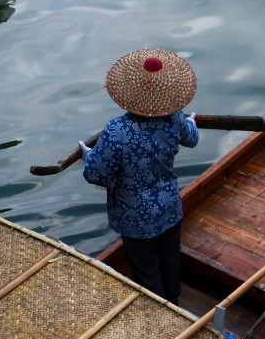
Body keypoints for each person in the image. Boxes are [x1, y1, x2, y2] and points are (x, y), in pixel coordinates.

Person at [81, 48, 198, 306]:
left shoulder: (118, 130)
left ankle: (161, 315)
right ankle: (174, 303)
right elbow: (192, 138)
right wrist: (192, 120)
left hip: (135, 215)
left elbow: (95, 173)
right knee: (169, 259)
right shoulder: (175, 117)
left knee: (146, 270)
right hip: (168, 204)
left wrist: (87, 153)